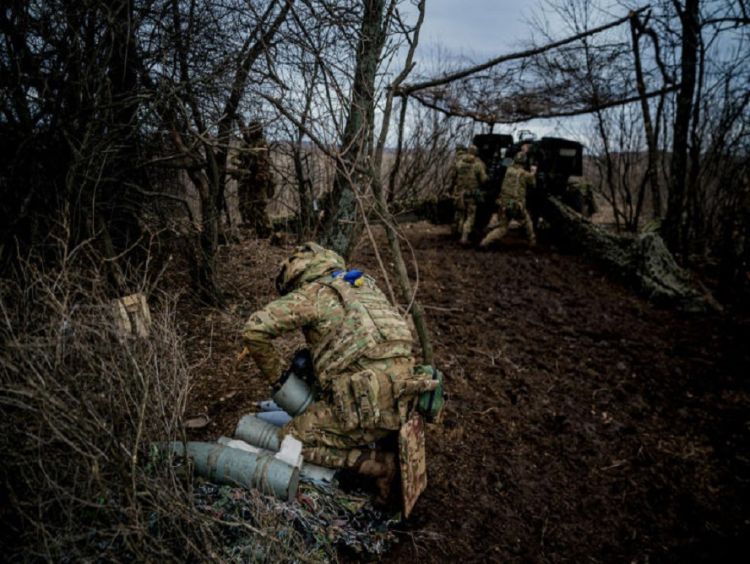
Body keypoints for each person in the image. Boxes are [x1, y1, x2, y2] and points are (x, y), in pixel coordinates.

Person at [241, 243, 433, 501]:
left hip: (368, 408)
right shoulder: (364, 285)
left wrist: (279, 378)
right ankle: (380, 438)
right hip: (407, 398)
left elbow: (254, 329)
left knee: (292, 436)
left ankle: (380, 466)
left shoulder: (312, 294)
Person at [480, 151, 537, 248]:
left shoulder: (508, 170)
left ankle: (484, 242)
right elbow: (533, 184)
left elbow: (505, 162)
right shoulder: (524, 174)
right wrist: (533, 172)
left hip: (504, 204)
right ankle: (532, 243)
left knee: (502, 228)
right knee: (527, 221)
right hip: (516, 206)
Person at [451, 145, 489, 245]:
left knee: (461, 214)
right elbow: (484, 180)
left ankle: (456, 233)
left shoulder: (459, 163)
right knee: (470, 217)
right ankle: (464, 238)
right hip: (471, 194)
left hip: (460, 194)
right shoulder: (478, 164)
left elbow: (453, 177)